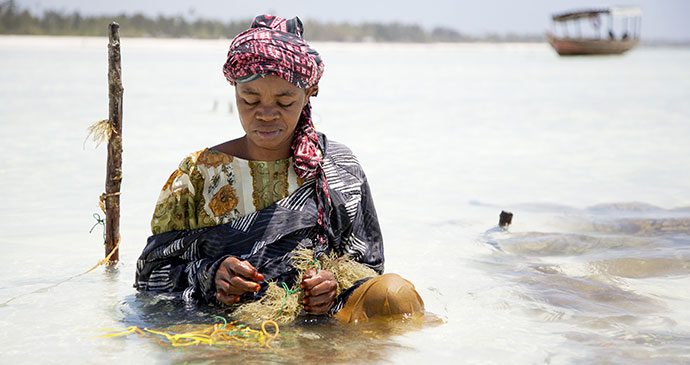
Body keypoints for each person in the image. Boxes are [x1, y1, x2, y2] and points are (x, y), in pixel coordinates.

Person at [134, 14, 423, 323]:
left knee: (395, 296)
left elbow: (370, 267)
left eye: (285, 101)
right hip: (225, 331)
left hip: (319, 331)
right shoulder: (200, 174)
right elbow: (147, 277)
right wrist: (211, 275)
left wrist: (333, 285)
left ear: (308, 93)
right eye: (250, 100)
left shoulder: (339, 167)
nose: (266, 115)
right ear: (234, 91)